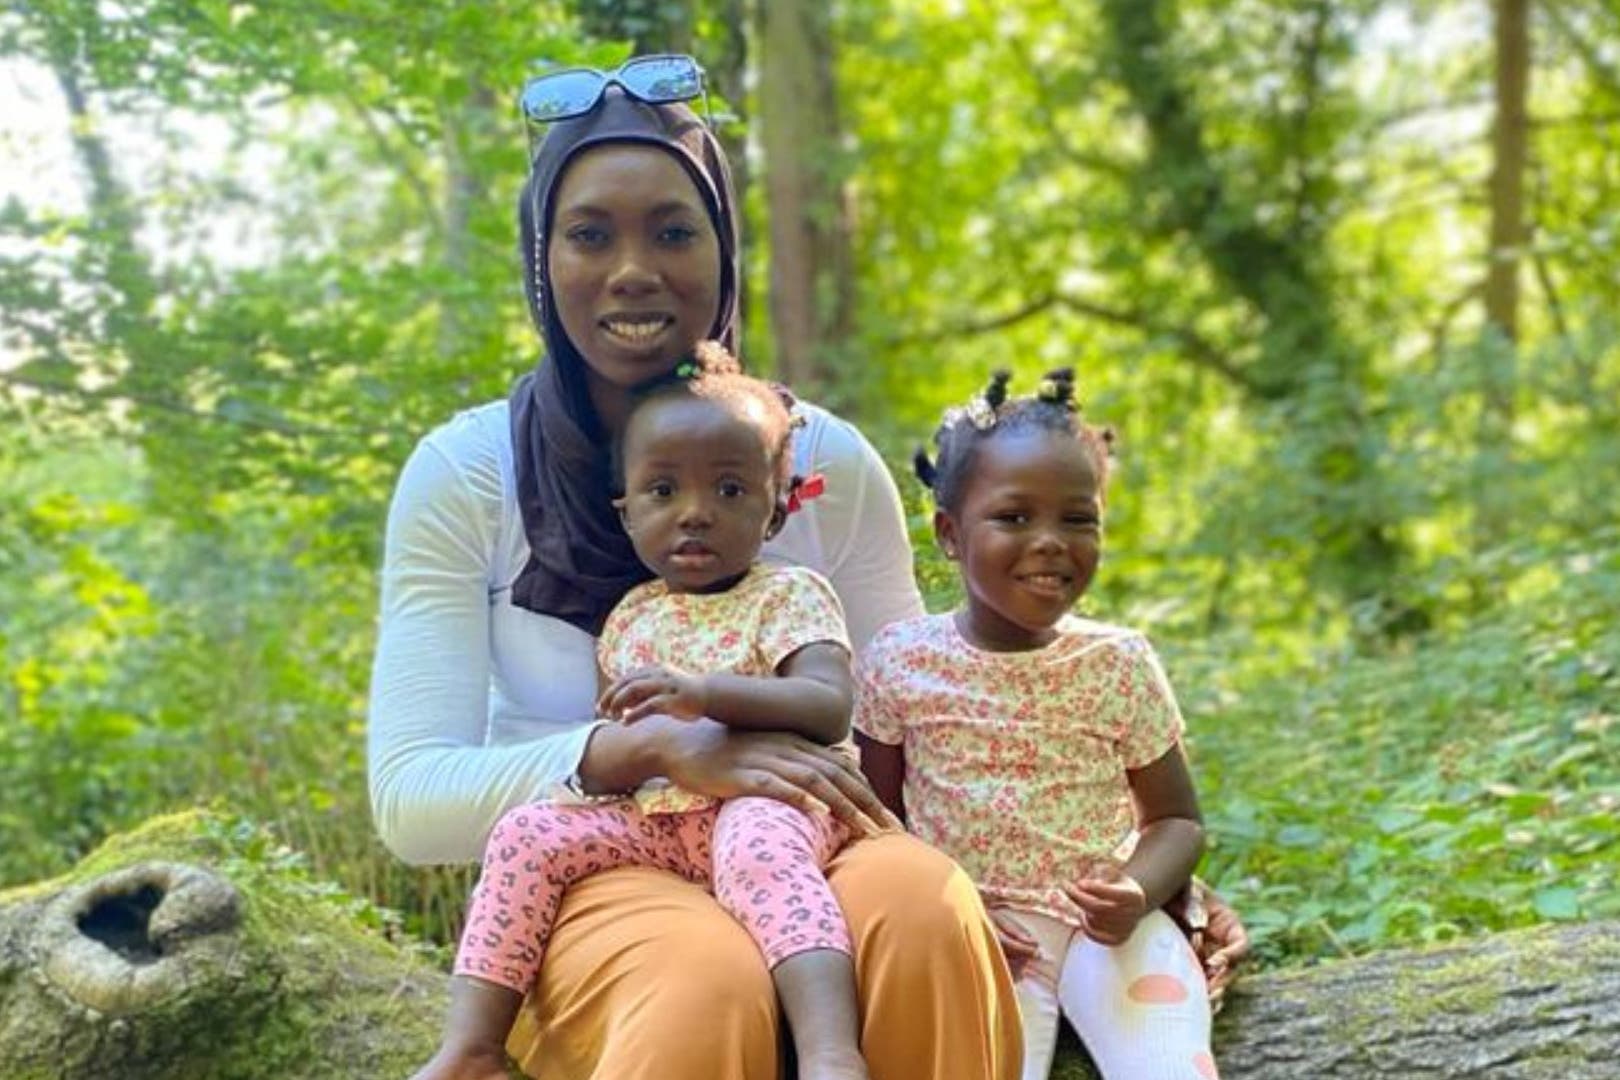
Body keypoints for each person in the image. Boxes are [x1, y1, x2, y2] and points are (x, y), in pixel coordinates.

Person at [367, 63, 1025, 1079]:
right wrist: (657, 750)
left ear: (725, 252)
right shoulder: (468, 474)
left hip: (812, 835)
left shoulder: (821, 461)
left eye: (674, 231)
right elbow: (413, 803)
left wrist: (1123, 892)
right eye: (590, 235)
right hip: (599, 867)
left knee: (926, 909)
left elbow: (922, 727)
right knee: (700, 979)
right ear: (542, 259)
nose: (634, 269)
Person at [410, 342, 874, 1080]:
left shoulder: (791, 595)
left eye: (728, 491)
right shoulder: (631, 618)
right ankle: (471, 1045)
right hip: (660, 823)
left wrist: (704, 695)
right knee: (528, 832)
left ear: (776, 510)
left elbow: (826, 704)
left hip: (769, 803)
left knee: (759, 850)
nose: (694, 514)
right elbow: (627, 740)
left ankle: (828, 1052)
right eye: (663, 492)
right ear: (626, 513)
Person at [855, 370, 1221, 1080]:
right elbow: (878, 820)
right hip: (980, 936)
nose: (1052, 542)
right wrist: (948, 914)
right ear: (950, 535)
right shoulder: (900, 662)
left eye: (1078, 519)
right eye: (1015, 517)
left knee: (1170, 1065)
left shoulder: (1117, 662)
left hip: (1109, 931)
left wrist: (1137, 893)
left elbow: (1178, 821)